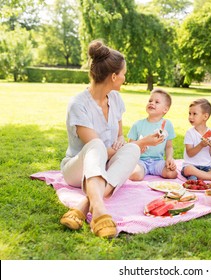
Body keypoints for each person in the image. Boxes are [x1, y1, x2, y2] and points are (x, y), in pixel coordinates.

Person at [59, 40, 164, 238]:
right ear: (114, 76)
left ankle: (86, 204)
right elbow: (97, 149)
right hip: (78, 169)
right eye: (123, 74)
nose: (125, 78)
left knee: (132, 151)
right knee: (97, 144)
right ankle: (99, 209)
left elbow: (119, 136)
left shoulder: (116, 99)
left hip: (106, 167)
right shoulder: (78, 104)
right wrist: (142, 143)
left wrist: (128, 144)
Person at [127, 88, 178, 181]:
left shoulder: (167, 124)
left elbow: (169, 147)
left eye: (157, 102)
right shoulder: (137, 124)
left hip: (158, 161)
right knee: (135, 175)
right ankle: (137, 170)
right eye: (150, 100)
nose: (151, 103)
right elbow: (130, 146)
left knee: (172, 173)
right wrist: (139, 146)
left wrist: (169, 158)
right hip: (140, 161)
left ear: (165, 109)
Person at [181, 98, 211, 180]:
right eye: (189, 113)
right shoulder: (190, 133)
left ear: (205, 116)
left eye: (194, 114)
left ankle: (201, 176)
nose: (190, 117)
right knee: (188, 169)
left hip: (206, 168)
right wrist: (201, 145)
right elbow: (190, 153)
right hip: (191, 166)